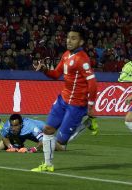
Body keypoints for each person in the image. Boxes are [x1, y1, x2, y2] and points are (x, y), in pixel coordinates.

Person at [31, 26, 98, 172]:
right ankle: (48, 165)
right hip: (63, 99)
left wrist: (91, 106)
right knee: (47, 129)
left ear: (81, 42)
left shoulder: (82, 59)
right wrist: (44, 70)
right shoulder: (66, 55)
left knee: (61, 143)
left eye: (73, 38)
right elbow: (56, 74)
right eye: (68, 37)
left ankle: (86, 123)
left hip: (77, 104)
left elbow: (92, 83)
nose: (69, 40)